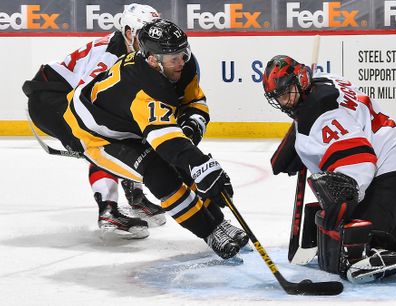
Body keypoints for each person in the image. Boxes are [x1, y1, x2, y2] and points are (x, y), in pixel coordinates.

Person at [26, 18, 248, 259]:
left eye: (184, 53)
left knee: (183, 163)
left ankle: (219, 223)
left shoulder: (180, 65)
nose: (182, 62)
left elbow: (194, 101)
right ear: (153, 60)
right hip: (94, 135)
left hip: (128, 123)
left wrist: (192, 127)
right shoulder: (141, 86)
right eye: (174, 58)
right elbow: (169, 143)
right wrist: (199, 162)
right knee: (159, 173)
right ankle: (210, 231)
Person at [262, 55, 396, 283]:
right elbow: (327, 111)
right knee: (347, 229)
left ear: (301, 80)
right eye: (277, 96)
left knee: (356, 241)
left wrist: (345, 196)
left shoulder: (325, 119)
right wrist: (299, 136)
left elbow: (360, 161)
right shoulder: (327, 80)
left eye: (287, 92)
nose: (283, 101)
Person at [23, 4, 167, 239]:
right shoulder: (112, 55)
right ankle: (108, 211)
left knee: (128, 133)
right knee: (101, 141)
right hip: (51, 101)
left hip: (61, 96)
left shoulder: (132, 51)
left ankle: (135, 197)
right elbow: (86, 101)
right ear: (129, 32)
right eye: (145, 33)